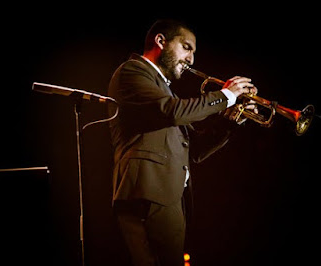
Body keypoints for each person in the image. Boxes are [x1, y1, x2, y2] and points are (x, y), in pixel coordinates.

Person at [107, 19, 258, 266]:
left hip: (167, 195)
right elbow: (172, 111)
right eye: (186, 47)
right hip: (147, 190)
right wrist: (226, 95)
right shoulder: (132, 72)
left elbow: (195, 149)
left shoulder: (165, 92)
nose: (191, 60)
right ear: (160, 41)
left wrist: (229, 122)